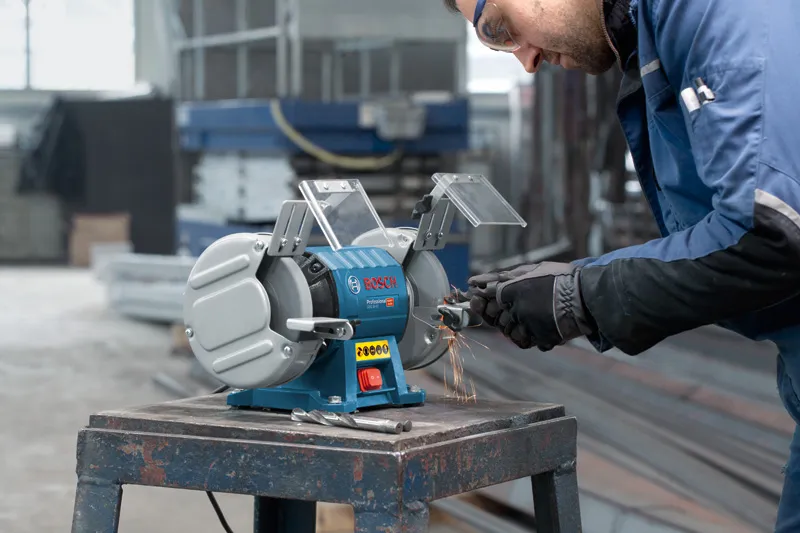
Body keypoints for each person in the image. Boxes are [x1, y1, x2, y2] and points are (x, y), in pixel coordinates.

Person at [442, 0, 800, 530]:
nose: (525, 61)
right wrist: (577, 279)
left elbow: (773, 229)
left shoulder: (710, 9)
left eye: (500, 29)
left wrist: (582, 295)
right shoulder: (653, 32)